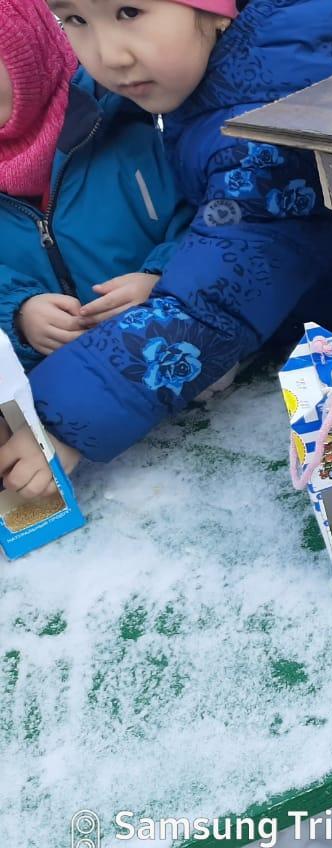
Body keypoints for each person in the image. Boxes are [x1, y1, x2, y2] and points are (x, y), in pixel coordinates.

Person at [6, 0, 332, 484]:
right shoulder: (238, 75)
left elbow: (220, 296)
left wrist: (57, 424)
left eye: (129, 12)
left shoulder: (271, 120)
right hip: (324, 336)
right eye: (75, 20)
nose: (109, 56)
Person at [0, 0, 193, 499]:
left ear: (28, 56)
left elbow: (208, 220)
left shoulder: (131, 122)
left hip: (189, 373)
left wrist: (159, 277)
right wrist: (18, 313)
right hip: (60, 408)